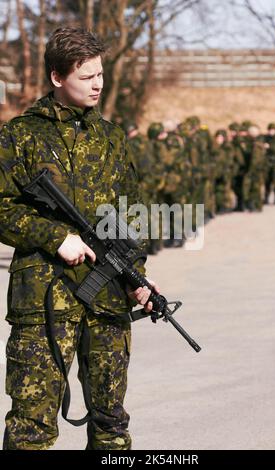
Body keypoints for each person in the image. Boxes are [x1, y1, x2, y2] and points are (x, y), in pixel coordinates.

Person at [0, 27, 159, 451]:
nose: (99, 84)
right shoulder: (20, 135)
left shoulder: (110, 138)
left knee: (112, 428)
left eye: (101, 74)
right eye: (87, 76)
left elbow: (130, 217)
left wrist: (136, 278)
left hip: (107, 299)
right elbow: (2, 206)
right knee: (30, 428)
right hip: (44, 301)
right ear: (57, 77)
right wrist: (55, 237)